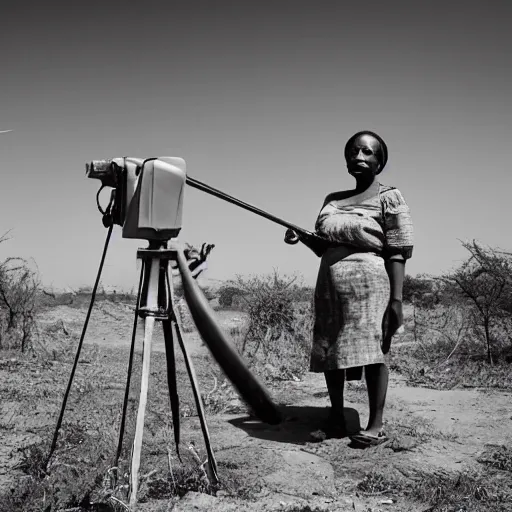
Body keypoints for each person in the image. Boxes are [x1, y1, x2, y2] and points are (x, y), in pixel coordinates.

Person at [284, 130, 413, 446]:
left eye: (368, 152)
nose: (359, 156)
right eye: (354, 151)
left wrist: (396, 300)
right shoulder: (332, 201)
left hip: (370, 286)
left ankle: (376, 424)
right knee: (332, 349)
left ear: (379, 162)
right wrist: (302, 237)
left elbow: (397, 249)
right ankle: (337, 417)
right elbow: (324, 246)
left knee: (373, 349)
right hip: (329, 285)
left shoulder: (389, 197)